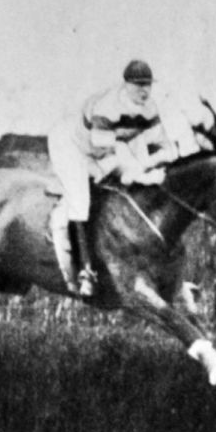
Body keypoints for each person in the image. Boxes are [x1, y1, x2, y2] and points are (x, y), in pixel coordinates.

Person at [47, 59, 177, 298]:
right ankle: (85, 271)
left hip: (101, 150)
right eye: (138, 85)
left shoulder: (149, 108)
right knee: (81, 201)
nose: (144, 90)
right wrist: (141, 169)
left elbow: (167, 149)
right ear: (125, 85)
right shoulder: (108, 107)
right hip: (71, 146)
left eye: (148, 84)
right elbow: (106, 153)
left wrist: (149, 165)